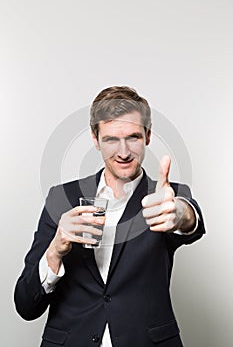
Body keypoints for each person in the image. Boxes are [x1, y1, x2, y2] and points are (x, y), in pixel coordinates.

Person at [14, 86, 205, 347]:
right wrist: (55, 251)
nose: (124, 152)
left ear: (148, 136)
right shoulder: (62, 198)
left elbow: (189, 218)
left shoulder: (166, 197)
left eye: (133, 137)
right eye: (111, 139)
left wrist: (182, 214)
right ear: (95, 139)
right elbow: (26, 306)